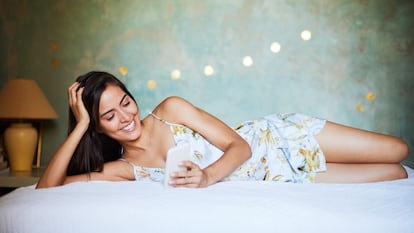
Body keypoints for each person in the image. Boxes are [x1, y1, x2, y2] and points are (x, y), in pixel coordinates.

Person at [36, 71, 409, 189]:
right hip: (276, 178)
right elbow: (46, 189)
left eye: (126, 103)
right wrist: (80, 124)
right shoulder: (123, 170)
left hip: (275, 139)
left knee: (398, 152)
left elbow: (240, 146)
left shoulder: (170, 110)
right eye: (109, 116)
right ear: (98, 129)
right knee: (395, 175)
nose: (126, 117)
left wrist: (206, 177)